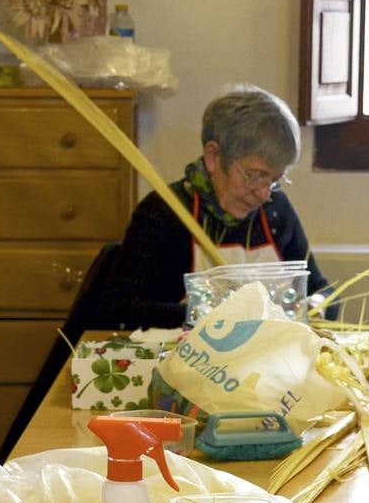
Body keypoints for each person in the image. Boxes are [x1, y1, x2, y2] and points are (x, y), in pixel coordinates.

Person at [98, 84, 330, 329]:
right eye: (253, 176)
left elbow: (323, 290)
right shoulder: (165, 212)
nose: (263, 193)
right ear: (213, 157)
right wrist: (203, 314)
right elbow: (118, 310)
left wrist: (316, 305)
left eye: (273, 180)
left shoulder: (275, 210)